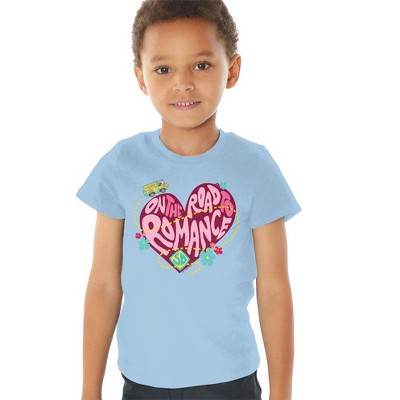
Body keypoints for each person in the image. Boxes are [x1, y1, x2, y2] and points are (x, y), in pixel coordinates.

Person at [77, 1, 301, 399]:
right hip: (144, 380)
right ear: (140, 77)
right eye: (164, 69)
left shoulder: (255, 167)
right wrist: (89, 391)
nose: (183, 83)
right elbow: (104, 285)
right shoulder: (121, 165)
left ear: (231, 69)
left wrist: (282, 393)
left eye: (201, 65)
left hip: (231, 381)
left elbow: (274, 288)